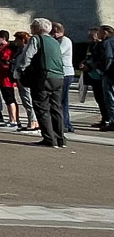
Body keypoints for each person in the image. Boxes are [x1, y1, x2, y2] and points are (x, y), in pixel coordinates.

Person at [27, 17, 67, 148]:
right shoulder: (55, 41)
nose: (31, 29)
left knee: (42, 108)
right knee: (56, 108)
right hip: (59, 76)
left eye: (32, 27)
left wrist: (19, 69)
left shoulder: (37, 39)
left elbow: (27, 56)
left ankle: (49, 139)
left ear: (38, 28)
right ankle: (60, 138)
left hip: (43, 76)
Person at [51, 22, 76, 134]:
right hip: (61, 73)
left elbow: (57, 53)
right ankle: (66, 123)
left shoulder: (65, 41)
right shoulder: (58, 41)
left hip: (65, 73)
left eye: (52, 33)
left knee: (61, 100)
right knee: (61, 100)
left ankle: (65, 123)